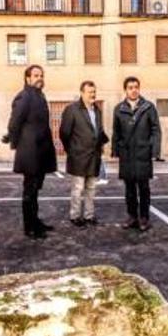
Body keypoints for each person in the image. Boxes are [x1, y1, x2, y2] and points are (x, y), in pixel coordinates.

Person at [8, 65, 58, 240]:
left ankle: (35, 221)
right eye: (36, 75)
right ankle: (29, 227)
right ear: (27, 78)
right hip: (30, 153)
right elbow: (14, 123)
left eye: (41, 75)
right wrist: (16, 145)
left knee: (36, 189)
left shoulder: (39, 96)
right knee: (29, 191)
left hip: (41, 152)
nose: (39, 78)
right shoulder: (24, 97)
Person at [112, 76, 162, 232]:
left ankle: (144, 218)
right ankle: (132, 216)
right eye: (130, 87)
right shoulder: (119, 109)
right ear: (125, 90)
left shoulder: (148, 107)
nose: (133, 90)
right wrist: (116, 150)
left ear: (139, 89)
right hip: (127, 154)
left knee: (144, 188)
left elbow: (155, 130)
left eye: (136, 87)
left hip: (143, 153)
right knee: (129, 189)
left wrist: (154, 150)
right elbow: (116, 131)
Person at [60, 81, 109, 227]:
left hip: (94, 157)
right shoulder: (72, 109)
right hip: (78, 157)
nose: (93, 94)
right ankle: (75, 215)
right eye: (89, 92)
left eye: (94, 91)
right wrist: (72, 150)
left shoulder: (97, 110)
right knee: (78, 188)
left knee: (91, 189)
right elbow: (64, 133)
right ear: (82, 93)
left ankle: (89, 215)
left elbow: (98, 131)